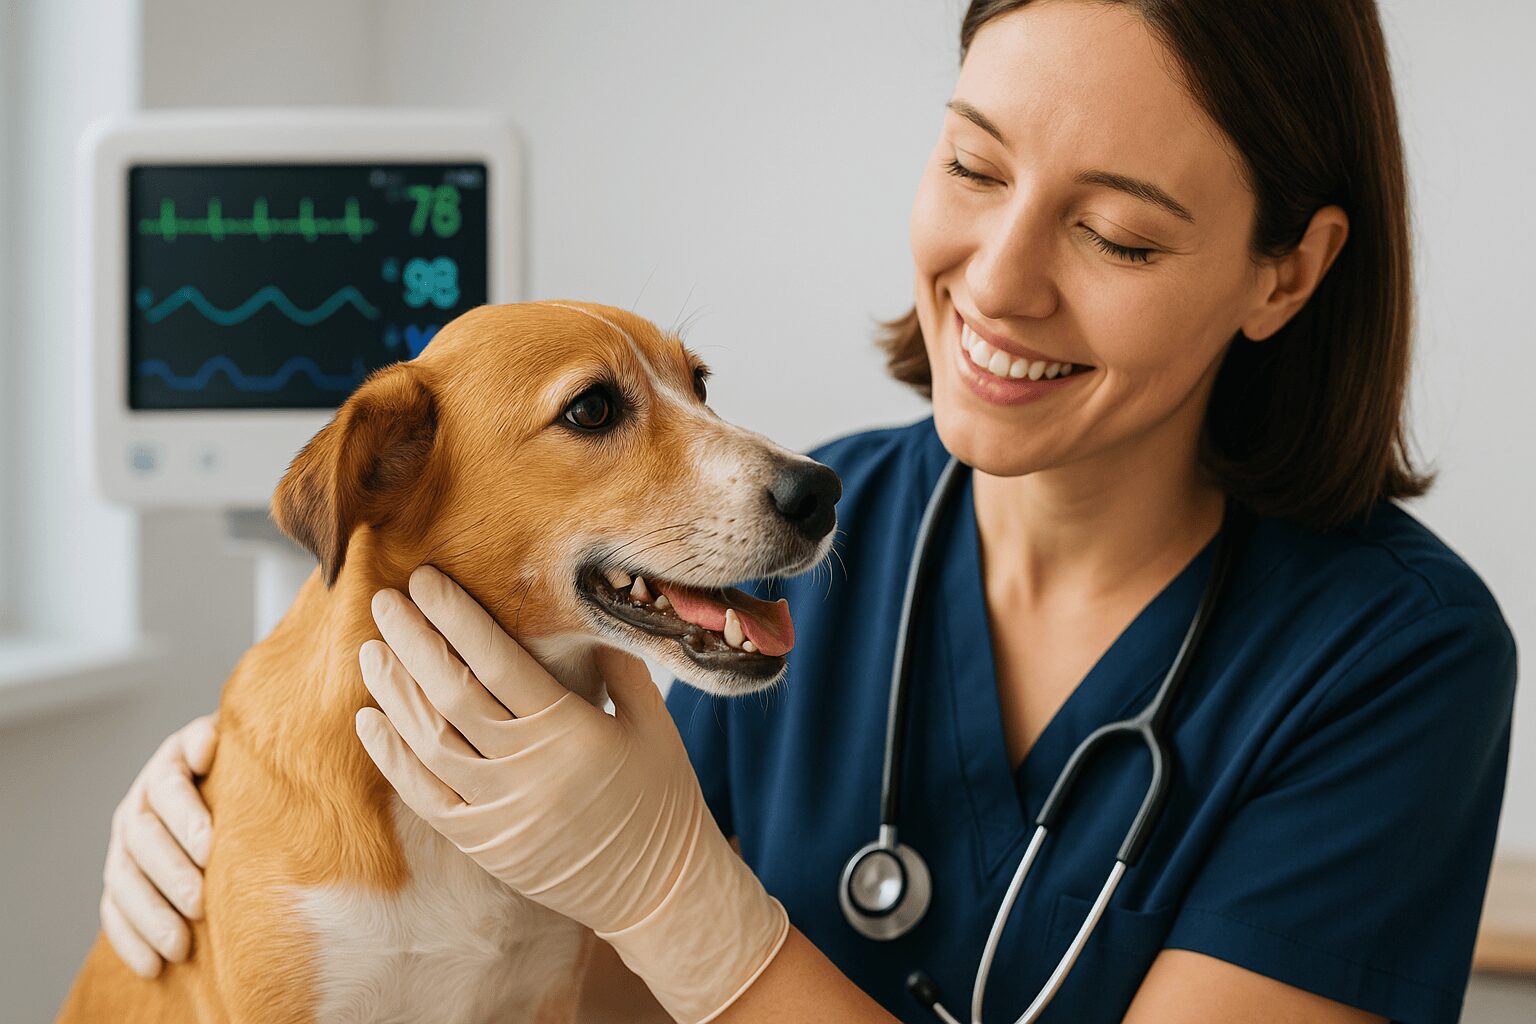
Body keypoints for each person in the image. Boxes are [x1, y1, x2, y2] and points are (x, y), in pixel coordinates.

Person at [94, 1, 1520, 1022]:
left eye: (1116, 231)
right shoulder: (759, 556)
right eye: (973, 165)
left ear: (1288, 271)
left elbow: (665, 943)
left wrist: (685, 908)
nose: (998, 280)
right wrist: (266, 797)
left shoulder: (1392, 662)